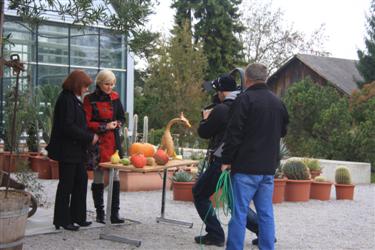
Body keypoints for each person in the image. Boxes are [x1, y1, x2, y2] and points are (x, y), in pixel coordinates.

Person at [221, 63, 289, 250]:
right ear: (265, 78)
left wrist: (226, 160)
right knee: (266, 213)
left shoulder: (244, 100)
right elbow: (283, 131)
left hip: (245, 167)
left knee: (239, 213)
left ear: (246, 79)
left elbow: (233, 134)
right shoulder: (278, 102)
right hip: (267, 168)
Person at [193, 73, 259, 247]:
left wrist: (205, 119)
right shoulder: (244, 104)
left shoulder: (222, 109)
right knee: (235, 201)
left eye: (217, 91)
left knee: (200, 193)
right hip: (242, 160)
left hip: (222, 160)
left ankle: (215, 234)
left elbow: (204, 132)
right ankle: (264, 231)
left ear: (222, 92)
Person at [47, 70, 99, 231]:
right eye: (84, 86)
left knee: (81, 182)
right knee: (66, 185)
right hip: (67, 151)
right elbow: (67, 127)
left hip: (76, 151)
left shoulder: (73, 100)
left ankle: (78, 217)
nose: (86, 89)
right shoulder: (66, 100)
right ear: (77, 85)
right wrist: (89, 137)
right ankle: (62, 219)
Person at [83, 69, 126, 224]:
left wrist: (117, 124)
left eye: (112, 84)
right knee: (99, 177)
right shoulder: (89, 99)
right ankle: (100, 214)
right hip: (97, 143)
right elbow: (86, 123)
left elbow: (122, 117)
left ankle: (114, 213)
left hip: (113, 142)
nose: (110, 87)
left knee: (115, 176)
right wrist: (105, 126)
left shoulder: (115, 97)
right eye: (107, 84)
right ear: (99, 83)